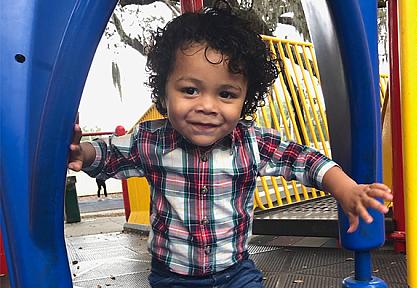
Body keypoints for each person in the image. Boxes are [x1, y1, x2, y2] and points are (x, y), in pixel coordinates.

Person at [68, 3, 392, 287]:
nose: (208, 106)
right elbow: (110, 154)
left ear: (244, 100)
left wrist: (346, 189)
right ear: (165, 93)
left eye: (226, 94)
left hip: (235, 273)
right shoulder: (152, 140)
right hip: (172, 278)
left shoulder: (252, 143)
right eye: (191, 90)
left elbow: (304, 161)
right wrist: (82, 153)